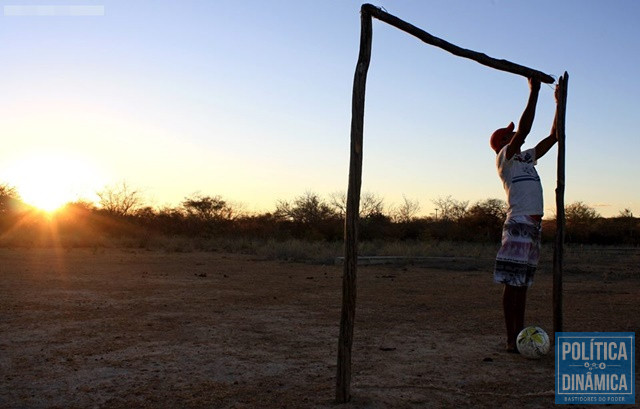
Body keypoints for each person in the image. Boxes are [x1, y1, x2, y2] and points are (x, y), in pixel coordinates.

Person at [490, 77, 559, 353]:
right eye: (510, 135)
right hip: (518, 224)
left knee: (522, 284)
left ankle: (519, 336)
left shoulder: (526, 158)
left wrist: (558, 104)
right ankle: (511, 338)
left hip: (532, 227)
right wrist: (534, 92)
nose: (515, 135)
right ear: (505, 143)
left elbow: (554, 136)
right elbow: (526, 129)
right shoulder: (505, 158)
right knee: (512, 282)